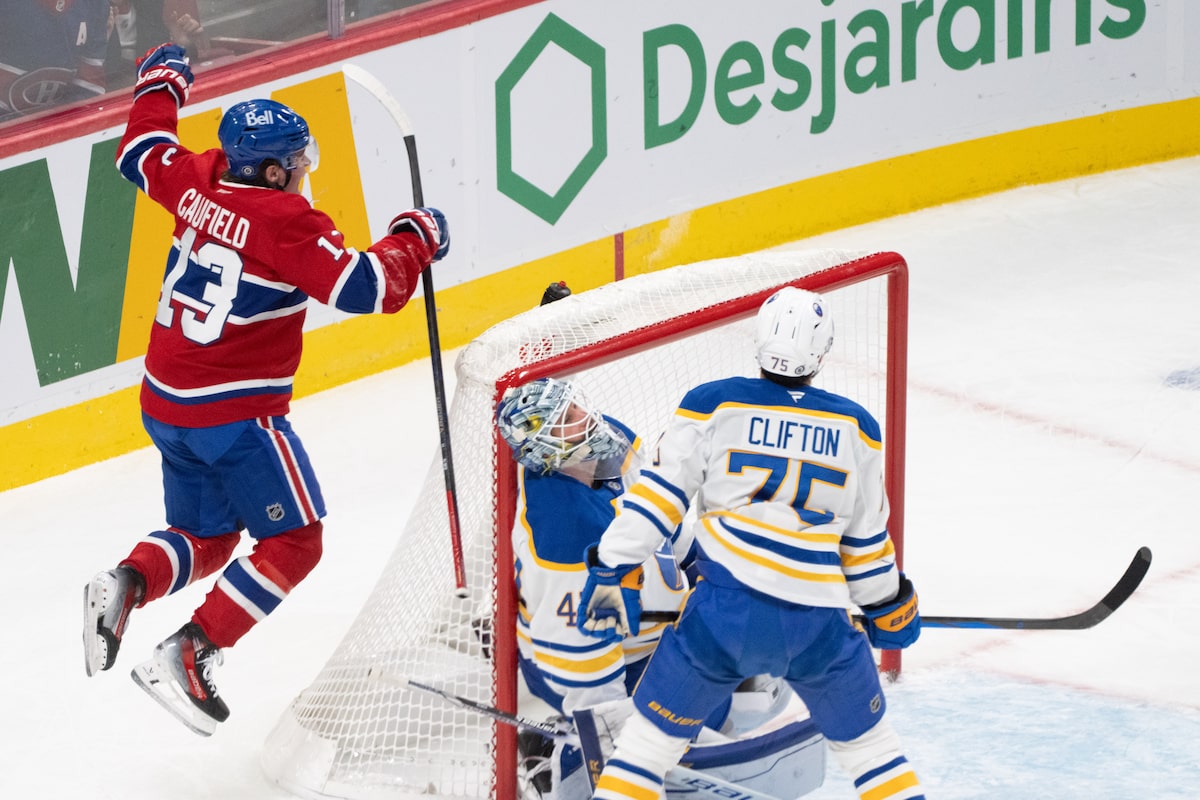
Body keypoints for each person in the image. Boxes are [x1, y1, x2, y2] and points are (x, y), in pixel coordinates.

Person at [81, 42, 450, 737]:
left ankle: (126, 582)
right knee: (296, 542)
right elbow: (370, 288)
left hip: (165, 402)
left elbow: (142, 148)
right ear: (275, 170)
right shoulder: (288, 224)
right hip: (236, 417)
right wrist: (417, 237)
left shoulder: (197, 176)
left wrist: (160, 81)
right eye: (301, 163)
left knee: (208, 536)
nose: (306, 172)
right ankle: (192, 650)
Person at [577, 287, 926, 800]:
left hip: (721, 617)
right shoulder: (859, 427)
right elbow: (866, 542)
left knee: (644, 750)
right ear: (823, 351)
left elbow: (660, 499)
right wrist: (887, 605)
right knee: (873, 752)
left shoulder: (711, 403)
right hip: (818, 621)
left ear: (759, 342)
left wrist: (612, 568)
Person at [495, 376, 697, 799]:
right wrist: (614, 734)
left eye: (577, 405)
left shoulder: (608, 445)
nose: (587, 416)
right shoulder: (565, 536)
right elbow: (591, 688)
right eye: (569, 417)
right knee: (625, 747)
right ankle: (555, 768)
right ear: (547, 446)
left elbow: (662, 514)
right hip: (589, 663)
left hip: (647, 634)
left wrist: (701, 569)